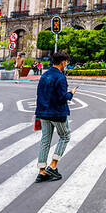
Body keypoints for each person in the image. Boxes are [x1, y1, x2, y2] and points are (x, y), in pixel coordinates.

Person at [34, 50, 76, 182]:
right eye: (67, 63)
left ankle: (41, 170)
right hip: (57, 112)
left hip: (43, 112)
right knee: (65, 136)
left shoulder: (45, 75)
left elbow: (39, 94)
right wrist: (71, 93)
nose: (67, 65)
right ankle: (53, 165)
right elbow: (63, 98)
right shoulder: (60, 77)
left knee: (45, 140)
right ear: (63, 62)